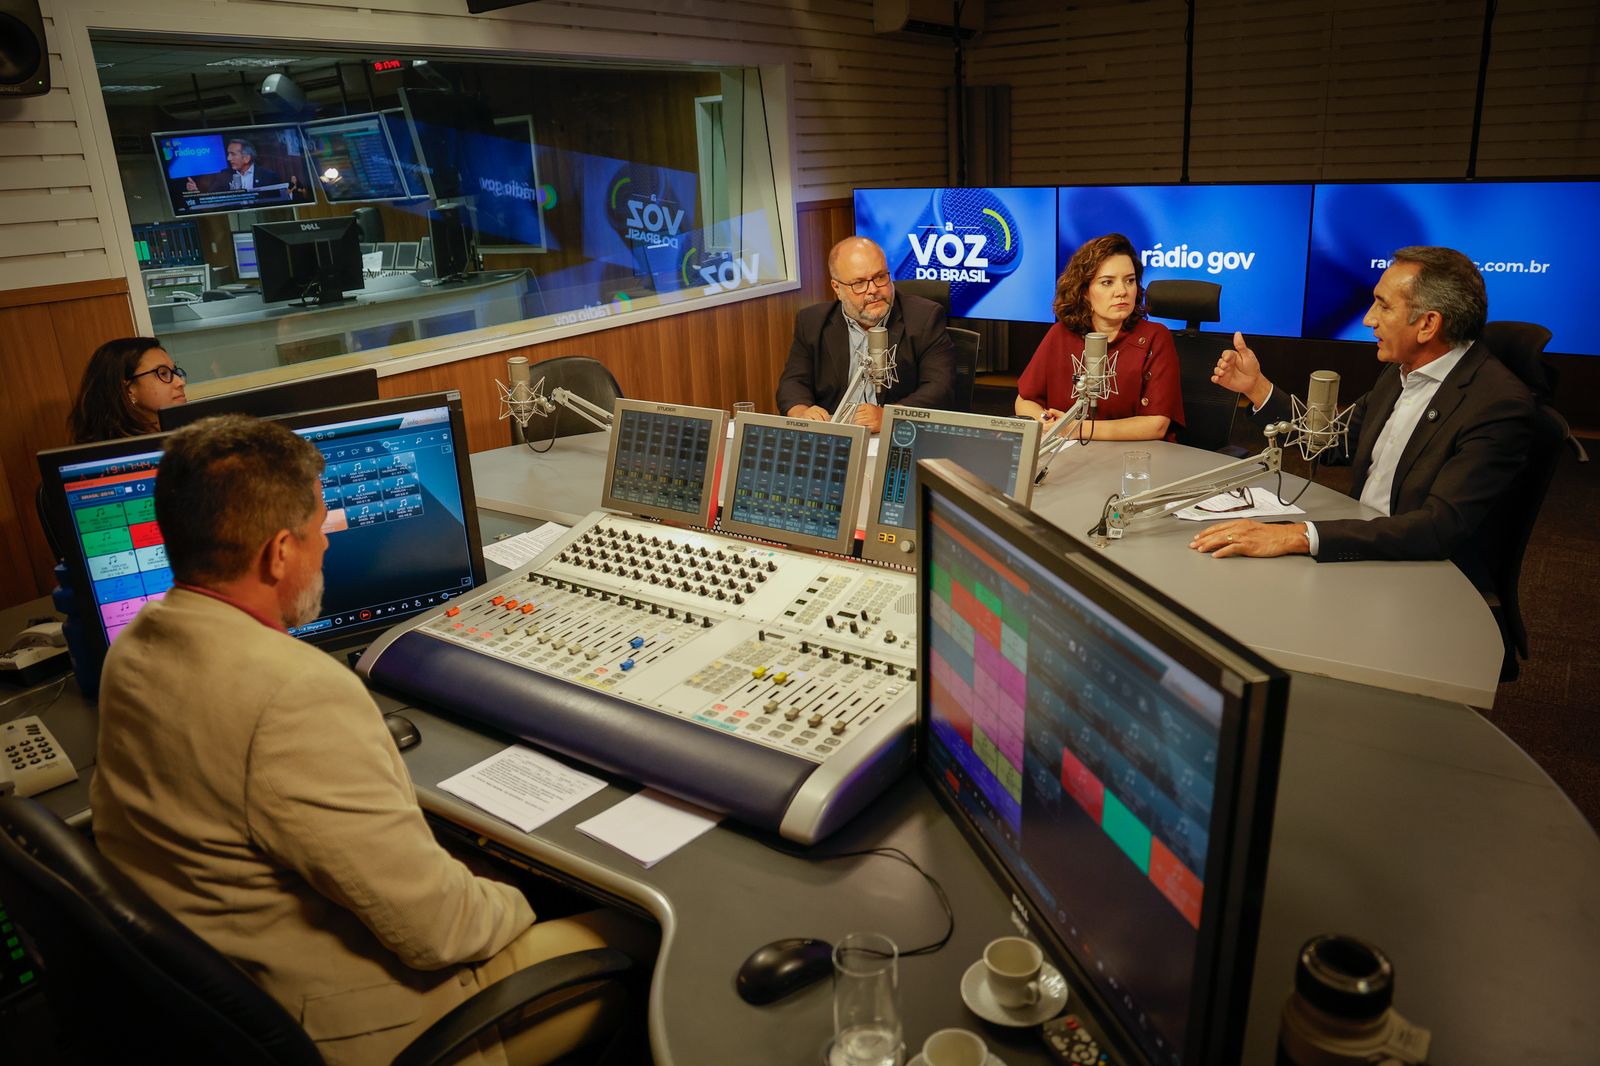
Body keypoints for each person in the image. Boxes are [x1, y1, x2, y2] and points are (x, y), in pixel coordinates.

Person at [90, 415, 653, 1065]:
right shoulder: (296, 693)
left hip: (220, 1005)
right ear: (278, 553)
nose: (327, 544)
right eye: (317, 529)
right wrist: (530, 897)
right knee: (642, 931)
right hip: (376, 1030)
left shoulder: (135, 647)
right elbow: (442, 932)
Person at [1190, 245, 1534, 594]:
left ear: (1428, 324)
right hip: (1362, 546)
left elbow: (1437, 528)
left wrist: (1295, 536)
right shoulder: (1399, 372)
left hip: (1424, 581)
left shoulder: (1498, 406)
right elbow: (1334, 443)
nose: (1369, 319)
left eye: (1383, 305)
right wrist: (1257, 388)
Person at [776, 236, 956, 432]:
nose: (873, 290)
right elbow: (793, 382)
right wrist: (802, 412)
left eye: (880, 277)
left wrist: (890, 417)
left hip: (898, 434)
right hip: (837, 434)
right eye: (859, 283)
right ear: (837, 288)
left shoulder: (924, 318)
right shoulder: (812, 322)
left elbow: (940, 388)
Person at [1015, 233, 1184, 442]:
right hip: (1065, 452)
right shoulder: (1060, 334)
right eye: (1107, 282)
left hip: (1133, 456)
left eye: (1130, 281)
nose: (1122, 291)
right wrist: (1046, 421)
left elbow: (1156, 425)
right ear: (1084, 291)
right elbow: (1024, 401)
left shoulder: (1155, 337)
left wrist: (1075, 429)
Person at [67, 336, 187, 442]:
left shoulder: (184, 435)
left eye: (174, 372)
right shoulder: (119, 455)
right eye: (163, 373)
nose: (181, 382)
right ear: (128, 389)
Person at [185, 137, 282, 193]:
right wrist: (196, 193)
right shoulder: (223, 175)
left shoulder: (268, 176)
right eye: (228, 154)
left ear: (246, 158)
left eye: (233, 154)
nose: (228, 158)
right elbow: (212, 200)